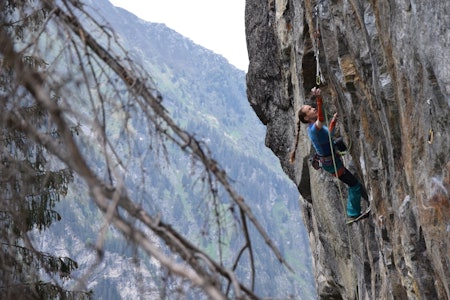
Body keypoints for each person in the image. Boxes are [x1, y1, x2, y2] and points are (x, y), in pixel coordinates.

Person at [290, 87, 368, 223]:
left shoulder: (316, 129)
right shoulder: (314, 129)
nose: (312, 108)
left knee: (340, 143)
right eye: (309, 109)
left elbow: (328, 136)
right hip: (332, 165)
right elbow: (320, 118)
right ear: (307, 118)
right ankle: (353, 213)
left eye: (311, 107)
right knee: (354, 184)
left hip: (331, 160)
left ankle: (357, 207)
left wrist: (333, 122)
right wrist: (319, 100)